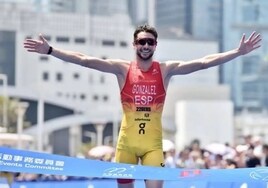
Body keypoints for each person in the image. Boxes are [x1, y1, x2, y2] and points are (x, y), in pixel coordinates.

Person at [23, 24, 261, 188]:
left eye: (149, 42)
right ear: (134, 44)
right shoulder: (122, 69)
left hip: (152, 148)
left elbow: (202, 63)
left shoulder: (165, 70)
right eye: (141, 42)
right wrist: (51, 51)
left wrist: (237, 52)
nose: (145, 45)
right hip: (125, 145)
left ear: (155, 45)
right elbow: (84, 60)